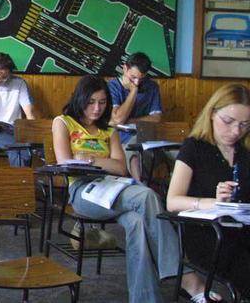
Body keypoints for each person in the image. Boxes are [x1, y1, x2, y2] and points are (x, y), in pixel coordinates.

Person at [52, 75, 206, 303]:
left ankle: (145, 299)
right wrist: (99, 160)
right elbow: (65, 160)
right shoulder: (63, 122)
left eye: (102, 102)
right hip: (83, 192)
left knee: (136, 223)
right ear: (80, 99)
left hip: (113, 188)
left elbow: (120, 167)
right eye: (91, 102)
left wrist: (89, 159)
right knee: (146, 195)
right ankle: (185, 277)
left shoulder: (109, 130)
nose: (96, 108)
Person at [167, 83, 250, 301]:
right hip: (208, 235)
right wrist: (213, 202)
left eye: (244, 125)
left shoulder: (245, 151)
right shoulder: (194, 148)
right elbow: (173, 201)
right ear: (212, 114)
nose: (235, 131)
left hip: (241, 231)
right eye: (228, 122)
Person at [108, 52, 163, 180]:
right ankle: (140, 185)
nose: (137, 82)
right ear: (125, 68)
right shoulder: (112, 87)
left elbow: (157, 118)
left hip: (146, 136)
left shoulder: (152, 86)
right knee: (134, 150)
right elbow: (118, 119)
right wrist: (134, 91)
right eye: (133, 77)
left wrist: (132, 120)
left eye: (141, 78)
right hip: (120, 139)